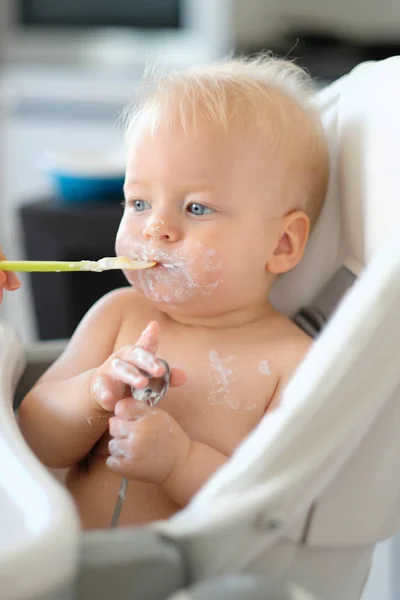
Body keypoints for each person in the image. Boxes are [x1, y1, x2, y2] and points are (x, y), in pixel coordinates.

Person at [18, 55, 330, 530]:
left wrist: (180, 463)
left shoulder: (294, 364)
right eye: (139, 202)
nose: (156, 227)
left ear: (282, 244)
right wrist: (92, 393)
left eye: (197, 207)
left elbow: (270, 509)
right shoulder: (119, 315)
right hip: (73, 568)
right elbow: (33, 439)